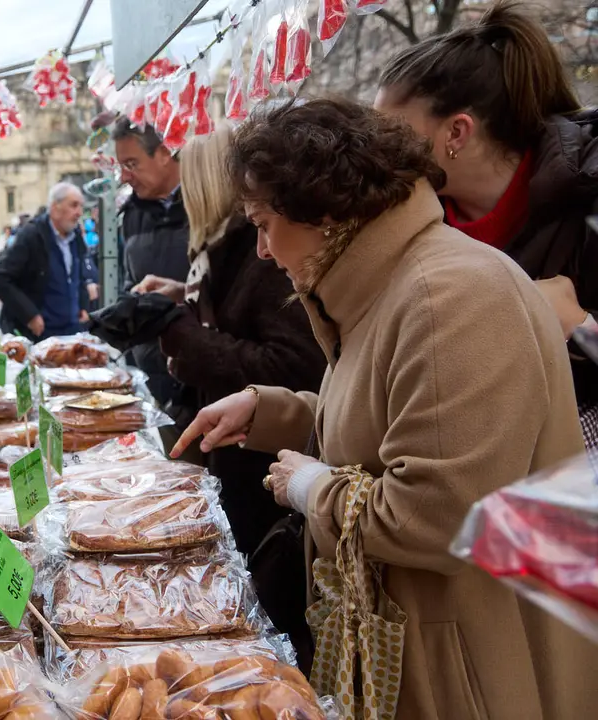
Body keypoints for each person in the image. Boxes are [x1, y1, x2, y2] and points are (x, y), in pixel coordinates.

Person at [173, 98, 596, 720]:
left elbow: (435, 514)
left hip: (466, 668)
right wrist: (271, 411)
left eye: (264, 223)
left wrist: (312, 488)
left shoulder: (449, 295)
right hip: (423, 647)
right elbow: (393, 422)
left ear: (323, 211)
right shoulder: (391, 286)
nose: (261, 249)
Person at [376, 0, 598, 449]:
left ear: (456, 133)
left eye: (391, 137)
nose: (376, 156)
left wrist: (579, 325)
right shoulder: (408, 230)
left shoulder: (587, 193)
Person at [133, 125, 326, 556]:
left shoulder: (264, 255)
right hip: (240, 456)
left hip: (266, 473)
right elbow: (232, 320)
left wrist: (178, 329)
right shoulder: (223, 249)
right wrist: (181, 297)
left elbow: (293, 364)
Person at [112, 116, 191, 409]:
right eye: (121, 166)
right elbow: (130, 281)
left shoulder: (206, 202)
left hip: (202, 375)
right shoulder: (132, 214)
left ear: (165, 153)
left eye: (131, 164)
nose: (124, 176)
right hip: (152, 377)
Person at [0, 183, 96, 340]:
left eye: (81, 206)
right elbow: (0, 279)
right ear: (55, 207)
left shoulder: (76, 237)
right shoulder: (31, 235)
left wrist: (83, 305)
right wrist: (30, 315)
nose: (79, 213)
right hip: (38, 334)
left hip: (70, 330)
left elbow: (77, 274)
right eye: (74, 205)